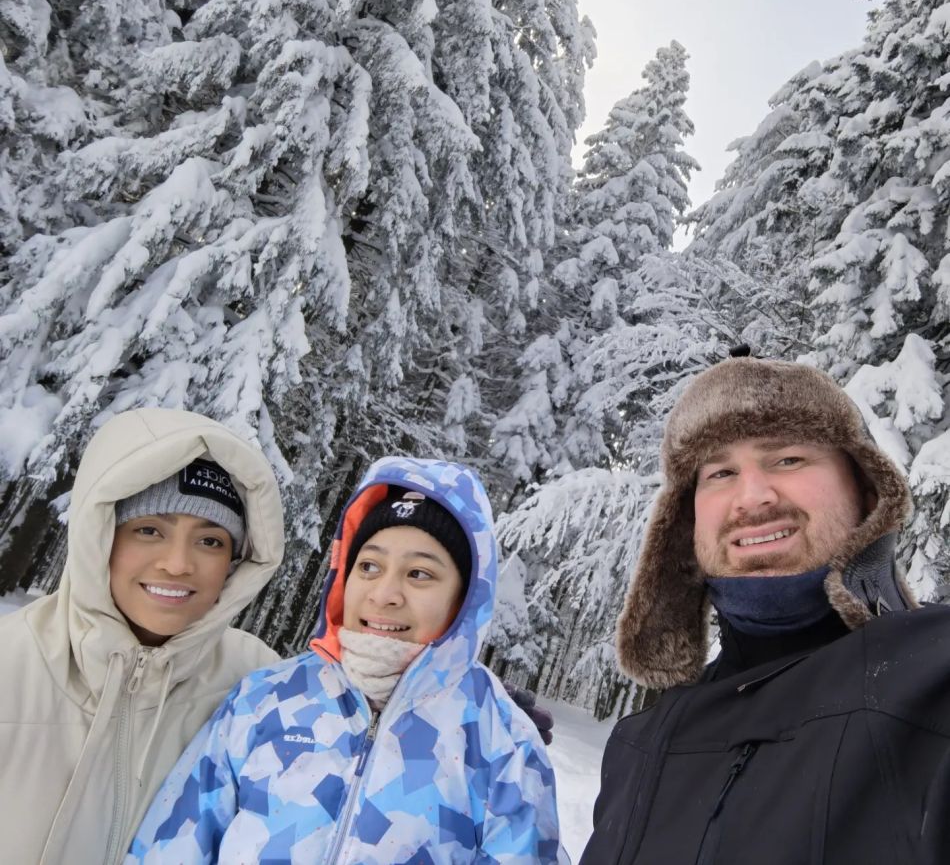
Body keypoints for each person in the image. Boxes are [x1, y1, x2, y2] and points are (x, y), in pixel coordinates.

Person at [580, 352, 950, 865]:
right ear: (684, 522)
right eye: (720, 472)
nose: (751, 497)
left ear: (867, 493)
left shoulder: (932, 678)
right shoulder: (638, 744)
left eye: (788, 458)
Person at [128, 457, 565, 864]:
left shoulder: (500, 739)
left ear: (465, 596)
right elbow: (173, 846)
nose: (383, 594)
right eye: (369, 567)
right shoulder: (267, 698)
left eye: (419, 574)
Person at [0, 408, 285, 865]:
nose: (178, 563)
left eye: (210, 541)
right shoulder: (9, 662)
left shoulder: (258, 684)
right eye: (149, 530)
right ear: (102, 537)